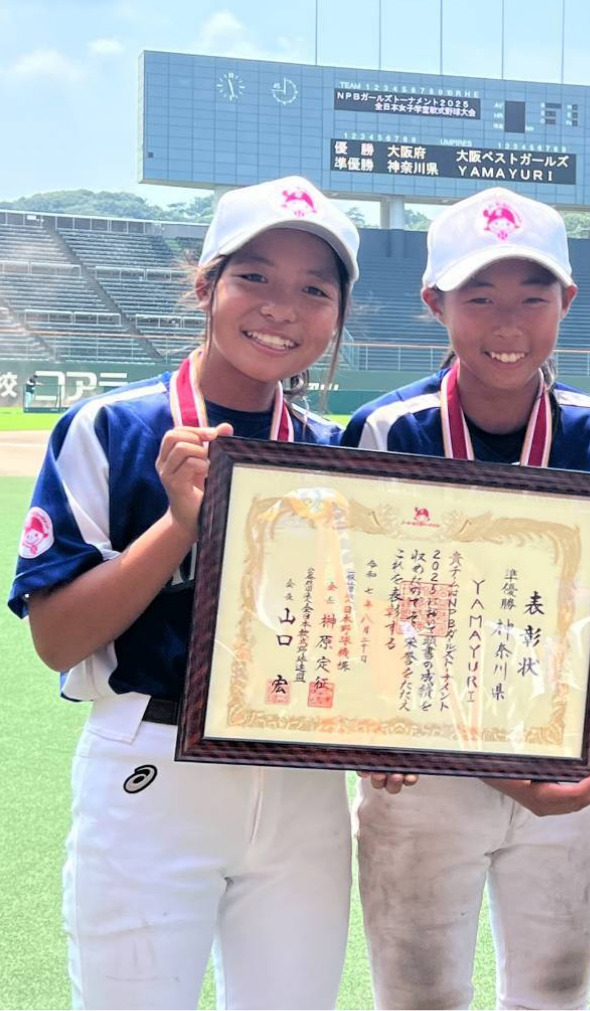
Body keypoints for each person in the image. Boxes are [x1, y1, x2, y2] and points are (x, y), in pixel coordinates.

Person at [9, 176, 365, 1011]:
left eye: (314, 289)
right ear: (206, 283)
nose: (282, 306)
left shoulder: (337, 452)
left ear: (338, 314)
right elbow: (56, 639)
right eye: (255, 277)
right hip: (150, 767)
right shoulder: (111, 427)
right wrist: (177, 524)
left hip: (301, 778)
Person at [343, 186, 590, 1011]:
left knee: (555, 995)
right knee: (420, 999)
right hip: (420, 774)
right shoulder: (388, 431)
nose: (507, 324)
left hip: (557, 762)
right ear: (434, 303)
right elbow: (363, 627)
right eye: (479, 298)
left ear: (568, 300)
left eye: (532, 297)